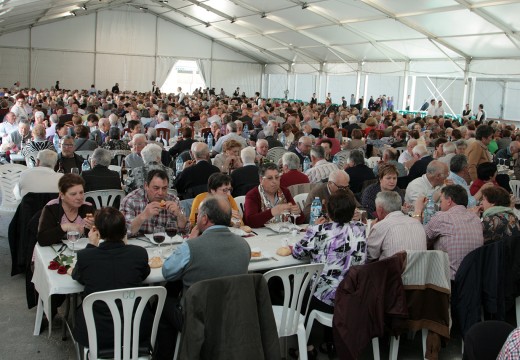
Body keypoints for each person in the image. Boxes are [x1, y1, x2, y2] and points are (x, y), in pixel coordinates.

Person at [156, 196, 251, 359]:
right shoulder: (244, 246)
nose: (196, 218)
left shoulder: (191, 247)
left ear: (205, 219)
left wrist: (189, 242)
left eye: (198, 214)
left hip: (197, 318)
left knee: (161, 303)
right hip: (232, 313)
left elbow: (167, 271)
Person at [291, 191, 367, 357]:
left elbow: (297, 253)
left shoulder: (319, 230)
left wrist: (312, 229)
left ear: (328, 211)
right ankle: (331, 341)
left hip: (326, 298)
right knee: (328, 282)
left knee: (299, 289)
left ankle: (307, 346)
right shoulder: (361, 229)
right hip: (353, 295)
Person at [71, 207, 151, 351]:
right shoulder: (139, 253)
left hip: (97, 332)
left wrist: (91, 245)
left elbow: (78, 276)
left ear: (99, 232)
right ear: (123, 231)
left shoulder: (86, 256)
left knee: (78, 309)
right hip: (136, 330)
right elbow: (144, 274)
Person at [413, 185, 483, 279]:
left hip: (449, 282)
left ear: (449, 200)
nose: (440, 205)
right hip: (474, 279)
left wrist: (418, 211)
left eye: (441, 201)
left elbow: (418, 240)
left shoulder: (442, 217)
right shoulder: (476, 218)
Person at [120, 169, 188, 235]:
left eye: (164, 188)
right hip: (139, 244)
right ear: (146, 186)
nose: (160, 193)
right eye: (156, 188)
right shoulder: (131, 200)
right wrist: (143, 215)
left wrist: (179, 215)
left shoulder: (173, 200)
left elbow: (185, 230)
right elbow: (124, 232)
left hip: (166, 243)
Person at [37, 174, 95, 246]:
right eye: (73, 194)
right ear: (62, 195)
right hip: (56, 253)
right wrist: (65, 227)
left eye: (81, 192)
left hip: (81, 252)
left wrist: (94, 227)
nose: (79, 197)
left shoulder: (88, 207)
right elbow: (42, 239)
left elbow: (100, 236)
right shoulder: (51, 208)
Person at [367, 191, 427, 261]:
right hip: (420, 270)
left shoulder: (380, 226)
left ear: (380, 209)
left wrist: (370, 231)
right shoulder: (418, 223)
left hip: (394, 271)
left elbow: (370, 257)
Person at [244, 162, 302, 228]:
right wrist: (272, 212)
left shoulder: (285, 192)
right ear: (261, 179)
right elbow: (250, 221)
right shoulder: (253, 195)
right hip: (262, 236)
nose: (274, 181)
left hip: (284, 234)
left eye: (277, 177)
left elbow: (300, 221)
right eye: (270, 178)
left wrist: (297, 212)